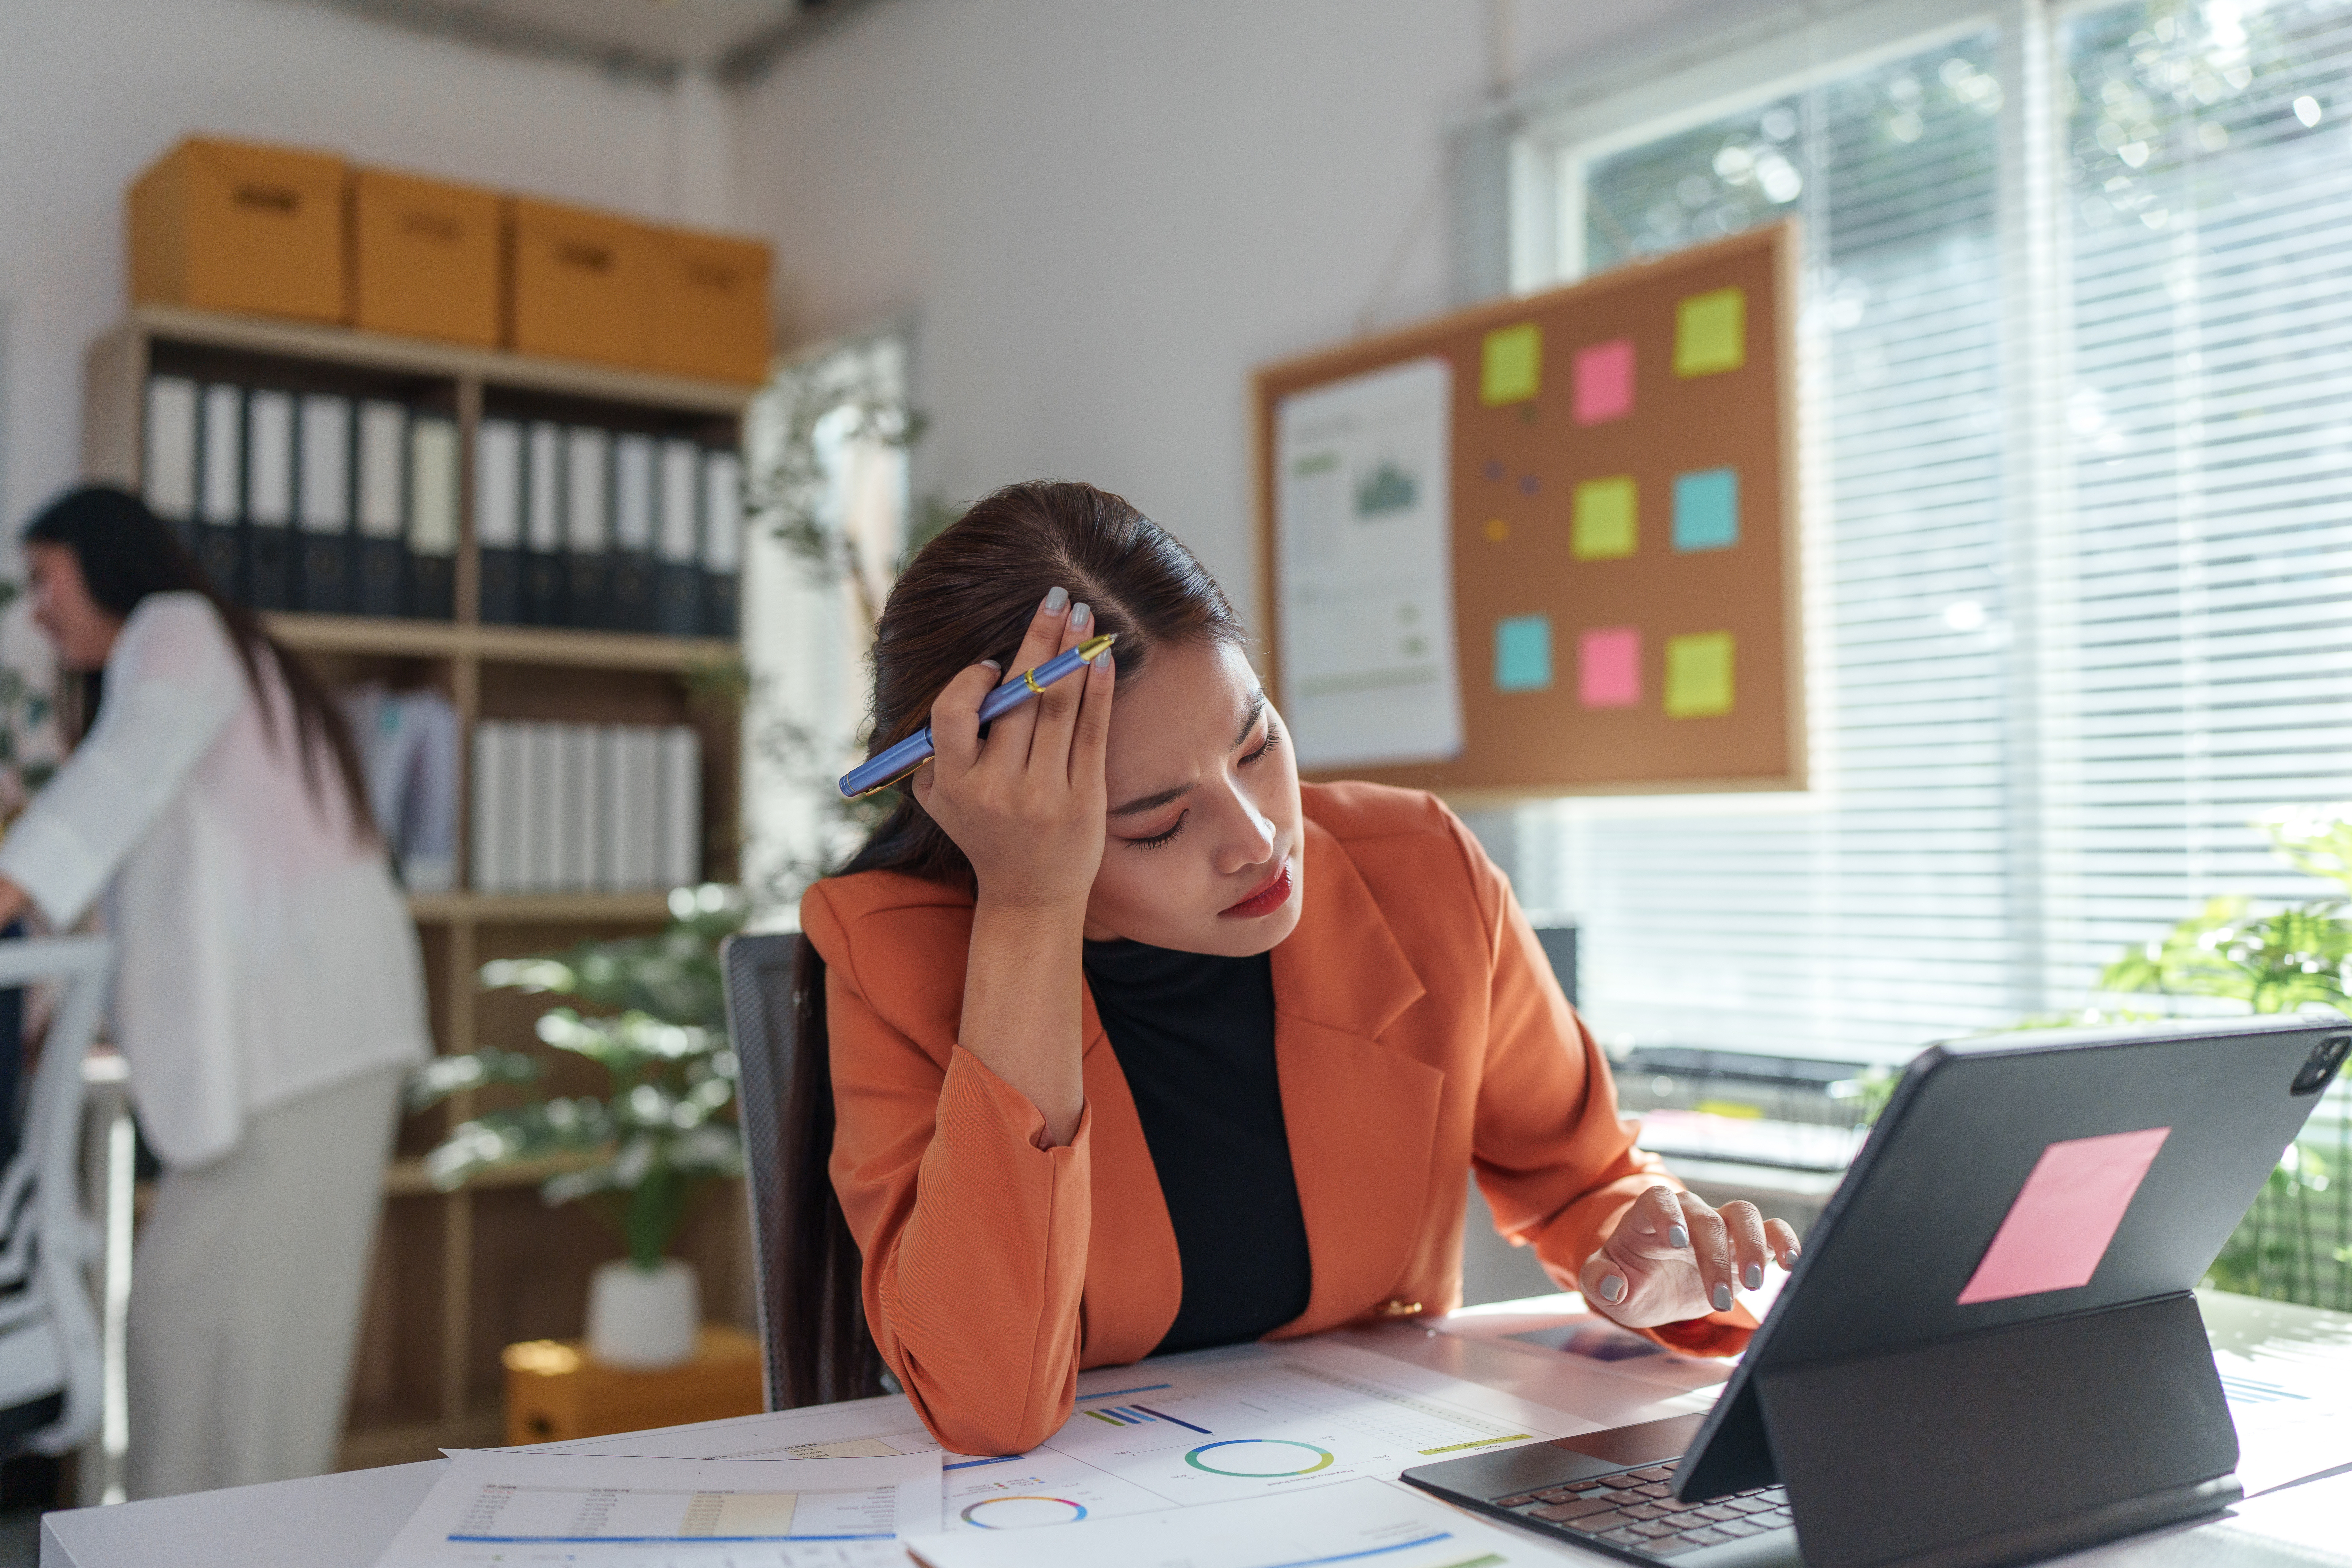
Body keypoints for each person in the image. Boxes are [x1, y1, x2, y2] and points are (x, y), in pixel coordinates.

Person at [785, 481, 1802, 1457]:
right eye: (1159, 823)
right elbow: (989, 1399)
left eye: (1257, 742)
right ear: (998, 820)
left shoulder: (1421, 868)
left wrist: (1642, 1254)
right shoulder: (892, 952)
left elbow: (1579, 1176)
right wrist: (1028, 908)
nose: (1261, 837)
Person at [0, 486, 429, 1497]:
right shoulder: (192, 658)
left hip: (305, 1048)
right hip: (295, 1051)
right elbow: (130, 880)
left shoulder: (176, 630)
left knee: (240, 1366)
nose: (36, 609)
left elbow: (115, 788)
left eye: (43, 579)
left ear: (104, 564)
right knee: (192, 1344)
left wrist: (10, 879)